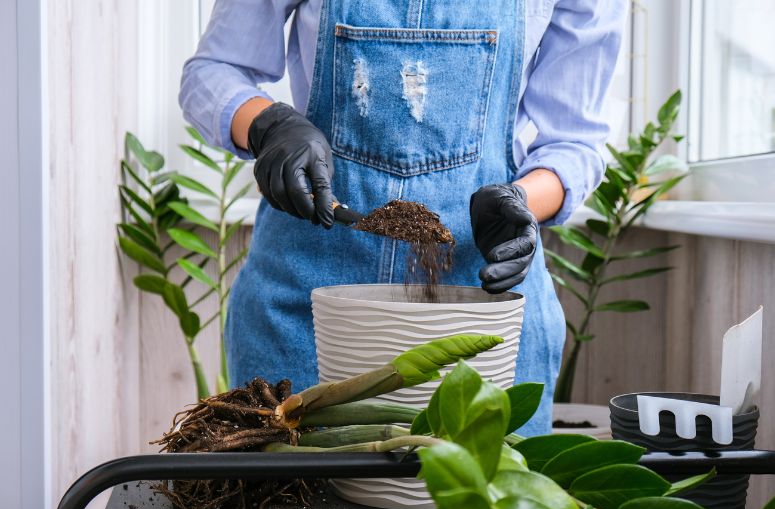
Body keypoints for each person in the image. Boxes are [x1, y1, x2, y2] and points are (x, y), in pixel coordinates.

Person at [180, 0, 627, 435]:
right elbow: (213, 71)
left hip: (481, 308)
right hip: (303, 308)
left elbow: (575, 142)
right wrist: (269, 125)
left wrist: (520, 199)